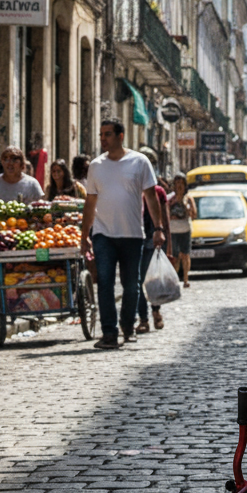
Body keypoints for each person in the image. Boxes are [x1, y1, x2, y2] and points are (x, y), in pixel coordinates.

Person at [80, 120, 165, 349]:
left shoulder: (139, 162)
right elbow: (90, 201)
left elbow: (151, 197)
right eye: (101, 135)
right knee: (105, 283)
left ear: (121, 135)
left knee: (132, 285)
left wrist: (158, 229)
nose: (103, 139)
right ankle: (109, 332)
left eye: (107, 134)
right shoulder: (96, 165)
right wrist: (84, 235)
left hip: (132, 234)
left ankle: (128, 325)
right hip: (103, 234)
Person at [135, 147, 171, 334]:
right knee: (139, 281)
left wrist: (169, 246)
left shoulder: (158, 191)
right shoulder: (131, 188)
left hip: (152, 240)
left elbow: (165, 221)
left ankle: (155, 312)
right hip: (134, 237)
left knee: (151, 280)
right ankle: (144, 318)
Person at [167, 173, 197, 287]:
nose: (179, 186)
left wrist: (187, 209)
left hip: (185, 229)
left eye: (181, 184)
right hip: (173, 230)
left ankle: (185, 279)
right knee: (174, 256)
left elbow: (194, 215)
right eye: (177, 183)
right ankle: (175, 279)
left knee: (185, 254)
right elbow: (165, 214)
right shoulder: (170, 199)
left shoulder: (188, 198)